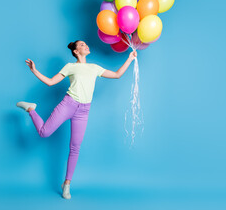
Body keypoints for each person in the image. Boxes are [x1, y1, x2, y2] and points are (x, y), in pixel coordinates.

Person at [16, 40, 137, 199]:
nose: (86, 45)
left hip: (84, 111)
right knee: (44, 133)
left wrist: (130, 58)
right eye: (82, 45)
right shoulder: (70, 67)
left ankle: (67, 184)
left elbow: (117, 75)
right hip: (68, 104)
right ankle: (31, 109)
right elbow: (51, 82)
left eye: (86, 44)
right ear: (75, 51)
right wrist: (34, 70)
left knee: (75, 147)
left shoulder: (94, 68)